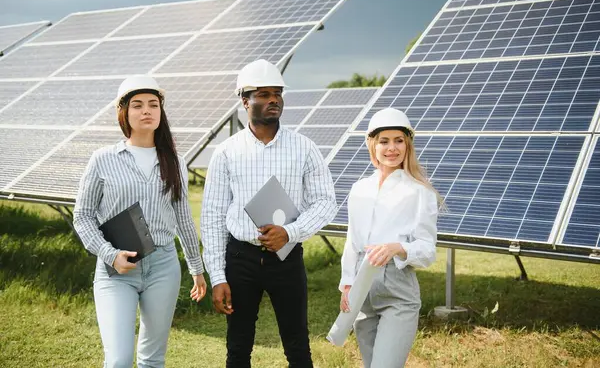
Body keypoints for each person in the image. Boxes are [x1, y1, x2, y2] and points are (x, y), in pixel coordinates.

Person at [201, 59, 337, 368]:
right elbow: (212, 216)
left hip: (286, 258)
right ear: (245, 100)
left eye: (277, 92)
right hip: (240, 260)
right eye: (263, 94)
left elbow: (326, 202)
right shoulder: (226, 153)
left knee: (298, 348)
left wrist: (290, 232)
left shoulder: (304, 147)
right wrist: (218, 277)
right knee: (238, 348)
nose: (273, 99)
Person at [73, 75, 207, 368]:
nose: (147, 110)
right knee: (119, 360)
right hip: (116, 270)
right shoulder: (103, 159)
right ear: (124, 112)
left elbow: (183, 219)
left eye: (153, 104)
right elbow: (82, 217)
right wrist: (110, 254)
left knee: (152, 360)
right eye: (137, 105)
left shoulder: (175, 161)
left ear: (161, 111)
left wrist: (197, 269)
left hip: (163, 267)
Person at [338, 107, 441, 368]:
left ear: (408, 145)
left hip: (398, 289)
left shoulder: (420, 192)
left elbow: (428, 251)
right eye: (384, 141)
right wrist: (347, 284)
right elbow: (352, 241)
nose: (392, 148)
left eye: (399, 141)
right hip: (363, 286)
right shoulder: (359, 188)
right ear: (372, 145)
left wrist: (398, 247)